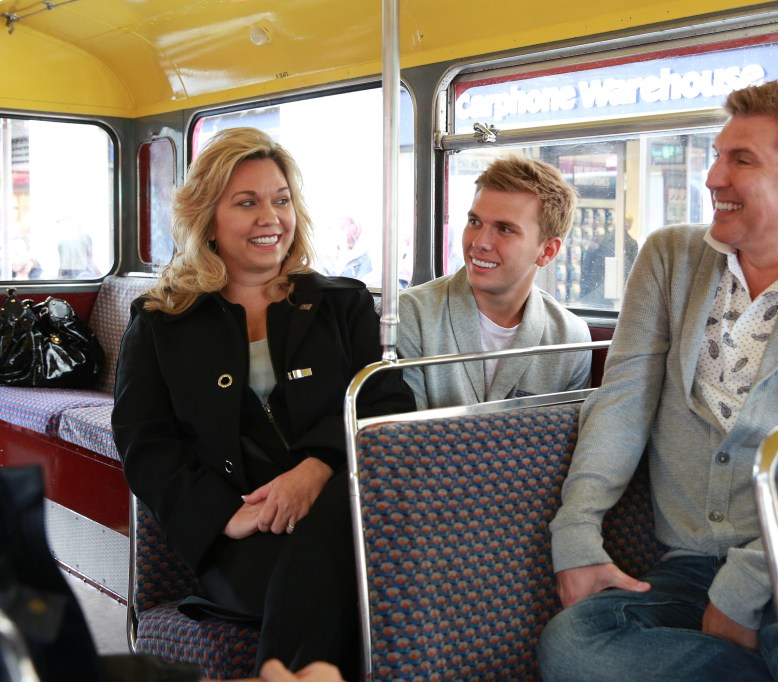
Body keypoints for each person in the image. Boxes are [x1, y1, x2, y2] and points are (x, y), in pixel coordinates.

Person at [537, 81, 778, 681]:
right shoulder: (672, 257)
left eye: (741, 160)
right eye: (718, 155)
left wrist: (745, 587)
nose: (713, 177)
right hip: (691, 564)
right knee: (573, 647)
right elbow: (623, 399)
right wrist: (578, 528)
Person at [111, 127, 414, 679]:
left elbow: (385, 401)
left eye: (280, 201)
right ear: (208, 218)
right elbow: (144, 441)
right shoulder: (162, 321)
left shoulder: (341, 305)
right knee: (334, 582)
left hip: (340, 508)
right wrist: (225, 516)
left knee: (336, 540)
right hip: (242, 529)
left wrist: (316, 470)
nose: (270, 218)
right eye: (246, 203)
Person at [397, 156, 591, 409]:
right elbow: (405, 437)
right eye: (475, 222)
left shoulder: (571, 338)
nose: (479, 242)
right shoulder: (413, 314)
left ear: (547, 252)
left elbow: (564, 440)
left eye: (505, 229)